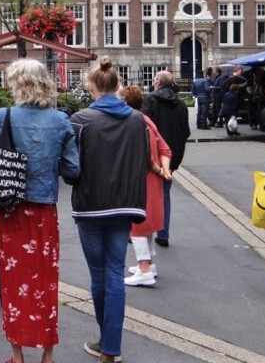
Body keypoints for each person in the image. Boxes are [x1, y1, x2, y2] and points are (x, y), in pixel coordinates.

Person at [0, 59, 80, 363]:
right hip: (44, 209)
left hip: (10, 209)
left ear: (19, 84)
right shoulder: (60, 121)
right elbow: (73, 168)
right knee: (45, 280)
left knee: (13, 280)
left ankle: (17, 353)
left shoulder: (0, 117)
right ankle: (47, 354)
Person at [70, 57, 148, 363]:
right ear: (118, 85)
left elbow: (71, 169)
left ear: (92, 86)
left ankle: (106, 340)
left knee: (98, 273)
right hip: (125, 204)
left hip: (91, 205)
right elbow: (141, 161)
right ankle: (110, 346)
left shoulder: (81, 120)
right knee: (115, 271)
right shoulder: (137, 120)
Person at [120, 86, 172, 287]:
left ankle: (144, 269)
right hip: (153, 179)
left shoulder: (133, 123)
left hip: (141, 179)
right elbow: (164, 148)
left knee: (137, 225)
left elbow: (146, 156)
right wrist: (164, 170)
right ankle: (149, 264)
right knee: (148, 223)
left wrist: (159, 170)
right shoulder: (147, 120)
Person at [142, 70, 190, 247]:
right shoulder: (181, 106)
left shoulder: (151, 100)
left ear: (158, 83)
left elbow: (144, 126)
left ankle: (142, 230)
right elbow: (185, 132)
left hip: (153, 156)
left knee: (144, 194)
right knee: (165, 195)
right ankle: (163, 232)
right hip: (172, 158)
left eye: (154, 80)